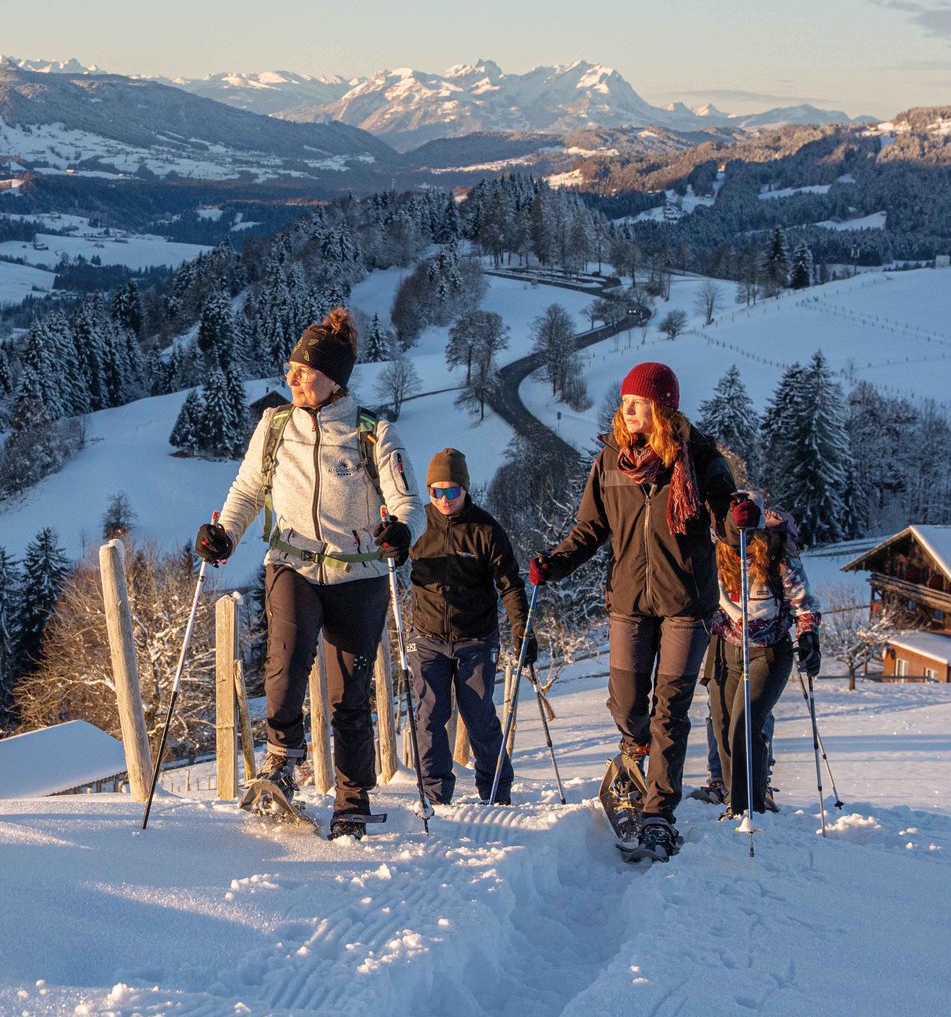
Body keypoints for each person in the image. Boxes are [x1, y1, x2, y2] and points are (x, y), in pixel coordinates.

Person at [194, 306, 420, 840]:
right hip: (291, 563)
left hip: (359, 576)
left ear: (334, 379)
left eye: (305, 369)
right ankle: (282, 761)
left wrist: (401, 532)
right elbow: (247, 492)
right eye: (290, 366)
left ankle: (352, 798)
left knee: (350, 695)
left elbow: (407, 501)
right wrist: (224, 533)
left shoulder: (372, 434)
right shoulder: (274, 427)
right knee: (285, 662)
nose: (292, 376)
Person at [528, 361, 744, 861]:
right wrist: (554, 563)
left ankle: (657, 816)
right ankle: (633, 757)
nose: (627, 411)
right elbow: (589, 529)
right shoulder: (609, 460)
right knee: (627, 705)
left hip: (686, 603)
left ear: (661, 409)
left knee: (670, 710)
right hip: (628, 600)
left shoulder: (700, 458)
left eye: (638, 404)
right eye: (625, 403)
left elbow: (727, 524)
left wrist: (739, 516)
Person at [405, 448, 534, 807]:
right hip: (427, 637)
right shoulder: (418, 525)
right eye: (436, 492)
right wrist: (389, 540)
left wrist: (521, 627)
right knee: (430, 715)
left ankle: (495, 790)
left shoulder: (485, 529)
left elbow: (509, 584)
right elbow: (391, 550)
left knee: (478, 716)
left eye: (452, 491)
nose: (444, 500)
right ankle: (434, 794)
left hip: (475, 638)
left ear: (465, 489)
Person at [706, 505, 821, 818]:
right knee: (724, 725)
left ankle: (749, 807)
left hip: (769, 650)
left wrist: (809, 637)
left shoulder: (776, 556)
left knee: (746, 724)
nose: (739, 544)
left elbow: (804, 605)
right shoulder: (715, 553)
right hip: (726, 648)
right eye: (732, 538)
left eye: (746, 537)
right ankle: (736, 799)